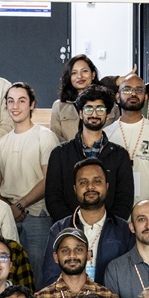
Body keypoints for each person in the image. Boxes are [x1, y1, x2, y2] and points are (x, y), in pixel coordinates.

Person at [0, 82, 58, 287]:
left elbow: (49, 180)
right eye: (10, 101)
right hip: (7, 216)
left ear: (32, 105)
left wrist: (19, 205)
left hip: (37, 216)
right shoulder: (2, 142)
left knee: (37, 276)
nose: (15, 106)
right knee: (8, 275)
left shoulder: (45, 137)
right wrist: (7, 206)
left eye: (22, 101)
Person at [44, 85, 134, 224]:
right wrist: (75, 225)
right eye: (88, 108)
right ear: (80, 113)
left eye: (100, 109)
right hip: (69, 232)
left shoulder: (120, 155)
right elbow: (53, 198)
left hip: (109, 232)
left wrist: (104, 227)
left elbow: (124, 200)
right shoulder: (60, 154)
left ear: (108, 114)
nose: (94, 114)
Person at [40, 158, 133, 286]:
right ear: (75, 189)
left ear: (106, 186)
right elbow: (51, 278)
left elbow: (129, 278)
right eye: (83, 182)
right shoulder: (59, 229)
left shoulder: (124, 230)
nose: (90, 187)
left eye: (97, 181)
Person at [105, 74, 149, 202]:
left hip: (145, 213)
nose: (133, 94)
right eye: (127, 90)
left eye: (139, 90)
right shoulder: (105, 134)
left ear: (146, 97)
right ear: (117, 97)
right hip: (113, 213)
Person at [49, 54, 101, 143]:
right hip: (68, 155)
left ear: (93, 75)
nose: (80, 76)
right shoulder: (59, 106)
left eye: (84, 71)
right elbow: (55, 138)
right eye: (74, 73)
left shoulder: (108, 104)